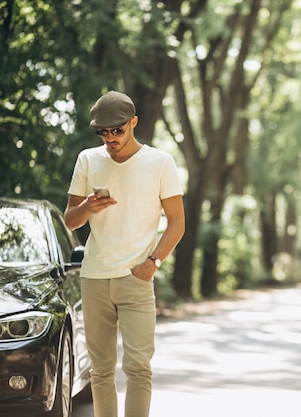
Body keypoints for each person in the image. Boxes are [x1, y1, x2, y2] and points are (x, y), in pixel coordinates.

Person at [64, 91, 185, 417]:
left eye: (117, 130)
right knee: (100, 372)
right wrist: (87, 206)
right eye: (103, 132)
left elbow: (177, 224)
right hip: (95, 278)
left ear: (133, 123)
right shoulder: (88, 160)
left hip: (136, 279)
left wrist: (152, 264)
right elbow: (70, 219)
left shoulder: (159, 162)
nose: (110, 138)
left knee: (138, 368)